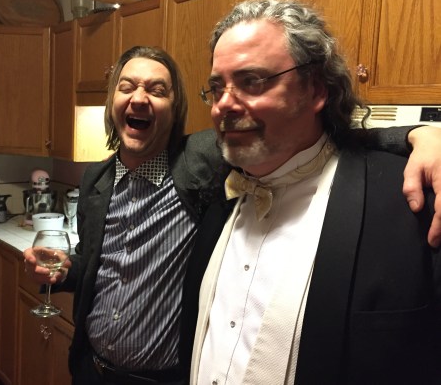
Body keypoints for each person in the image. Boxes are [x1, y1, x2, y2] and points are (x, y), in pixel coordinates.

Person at [23, 45, 441, 384]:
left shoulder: (202, 157)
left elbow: (312, 136)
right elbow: (98, 265)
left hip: (163, 378)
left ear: (174, 108)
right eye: (127, 86)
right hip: (90, 369)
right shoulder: (96, 179)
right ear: (112, 101)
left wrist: (419, 134)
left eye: (157, 90)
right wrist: (67, 270)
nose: (139, 98)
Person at [191, 0, 441, 385]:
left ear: (315, 90)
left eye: (252, 81)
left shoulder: (409, 200)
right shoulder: (214, 188)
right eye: (216, 87)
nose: (224, 104)